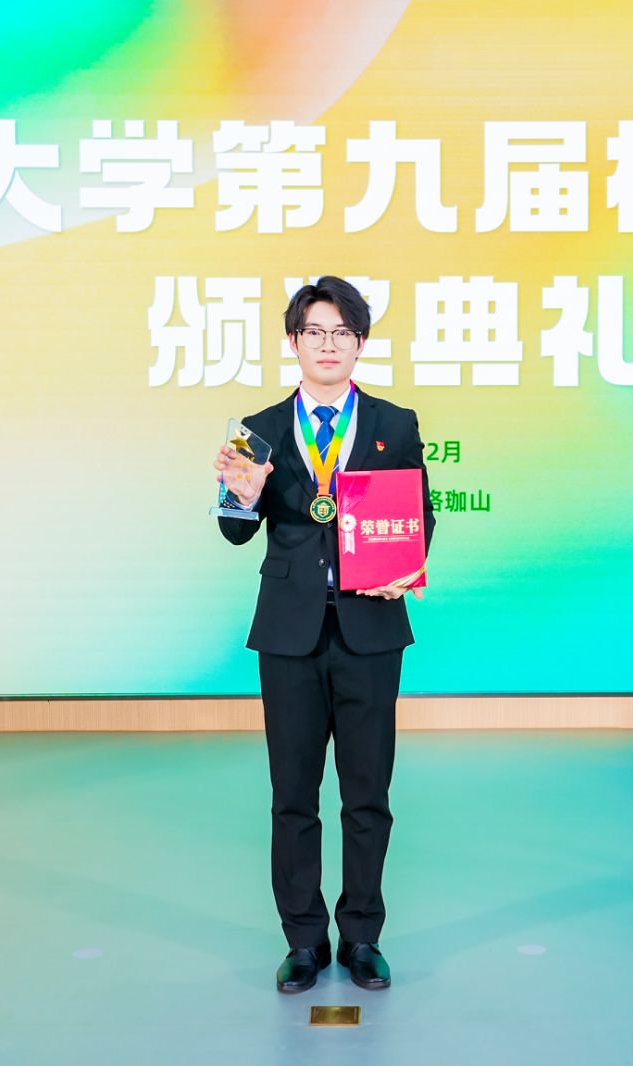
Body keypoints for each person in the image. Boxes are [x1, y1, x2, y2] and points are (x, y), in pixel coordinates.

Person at [213, 275, 434, 993]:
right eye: (315, 331)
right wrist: (241, 500)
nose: (329, 344)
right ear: (294, 342)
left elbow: (419, 514)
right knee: (293, 794)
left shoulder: (395, 422)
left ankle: (362, 935)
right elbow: (233, 530)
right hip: (290, 634)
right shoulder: (256, 429)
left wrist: (408, 565)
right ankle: (304, 940)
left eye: (342, 332)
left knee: (367, 793)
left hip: (371, 628)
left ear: (360, 343)